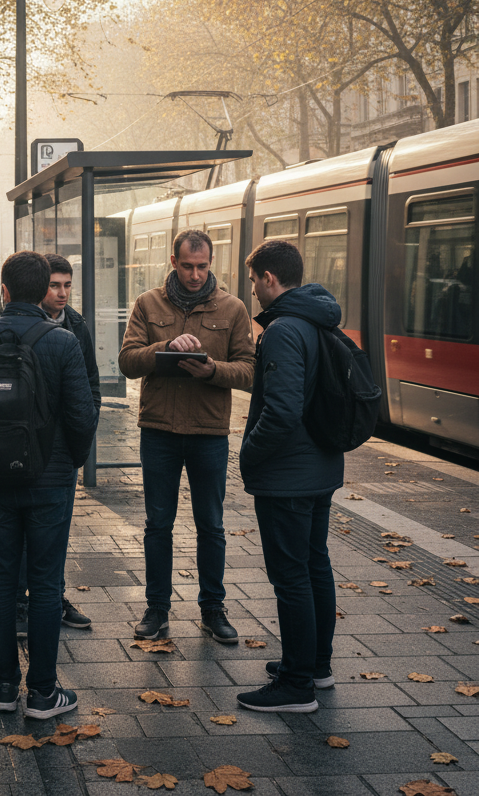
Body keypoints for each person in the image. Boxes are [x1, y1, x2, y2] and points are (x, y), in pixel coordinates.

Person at [0, 251, 97, 719]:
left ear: (7, 291)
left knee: (1, 580)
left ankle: (4, 686)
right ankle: (44, 692)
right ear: (42, 292)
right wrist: (68, 462)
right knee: (47, 584)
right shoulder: (62, 342)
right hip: (51, 480)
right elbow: (82, 416)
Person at [119, 229, 254, 646]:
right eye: (188, 266)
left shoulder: (232, 308)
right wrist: (166, 349)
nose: (196, 275)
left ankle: (213, 608)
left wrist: (212, 370)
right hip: (158, 430)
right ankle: (156, 608)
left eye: (203, 267)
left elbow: (249, 370)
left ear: (210, 264)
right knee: (158, 524)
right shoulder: (148, 303)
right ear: (173, 263)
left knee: (210, 525)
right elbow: (127, 362)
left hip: (208, 433)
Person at [237, 240, 343, 714]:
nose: (254, 290)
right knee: (314, 564)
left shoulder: (282, 329)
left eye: (255, 280)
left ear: (269, 279)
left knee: (291, 576)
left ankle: (297, 684)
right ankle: (316, 665)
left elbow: (280, 412)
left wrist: (248, 456)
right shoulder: (320, 318)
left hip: (288, 475)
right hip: (320, 465)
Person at [23, 252, 102, 630]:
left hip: (61, 454)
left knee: (56, 534)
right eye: (55, 285)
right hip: (23, 449)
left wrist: (78, 446)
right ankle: (28, 601)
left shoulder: (76, 326)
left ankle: (53, 596)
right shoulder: (19, 325)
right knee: (23, 536)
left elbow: (92, 387)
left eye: (67, 285)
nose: (62, 293)